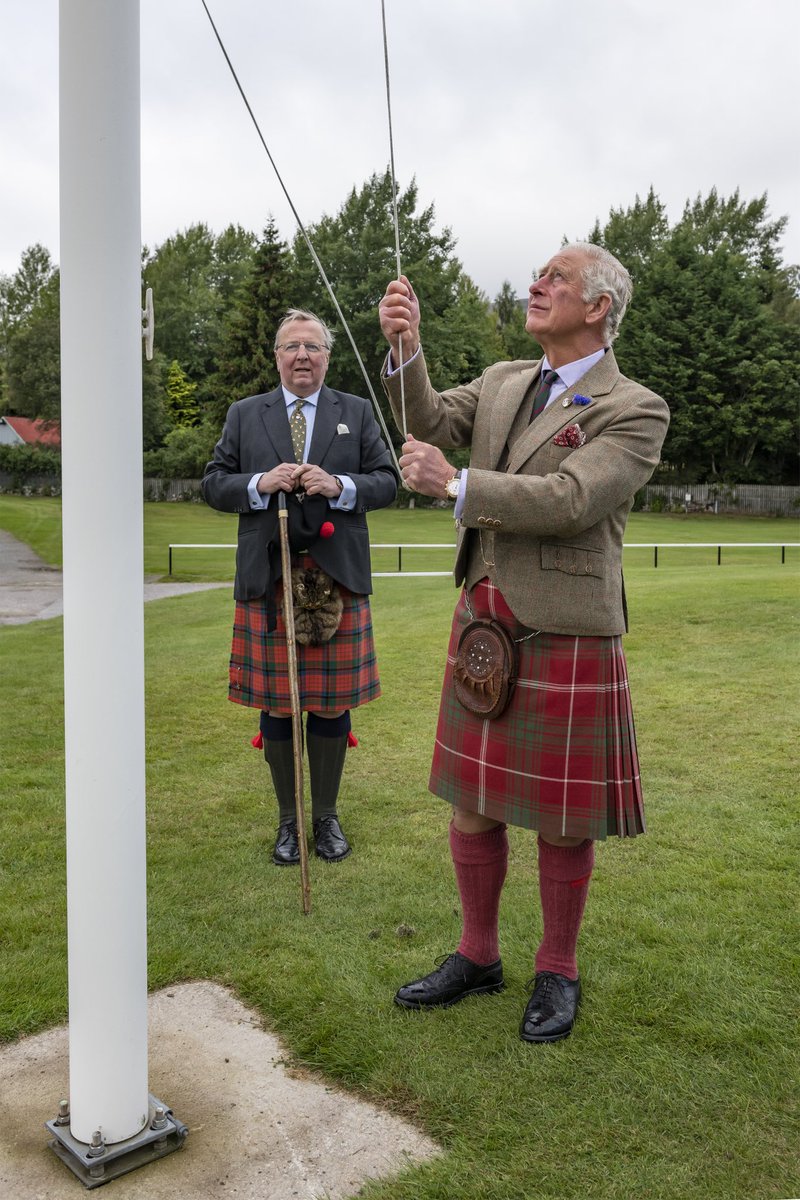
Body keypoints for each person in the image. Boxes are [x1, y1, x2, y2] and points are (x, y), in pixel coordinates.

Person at [378, 243, 669, 1041]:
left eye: (556, 278)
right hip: (483, 620)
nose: (536, 286)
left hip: (565, 629)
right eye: (538, 274)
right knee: (473, 804)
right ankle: (478, 956)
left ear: (600, 305)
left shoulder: (634, 407)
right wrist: (407, 348)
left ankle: (557, 969)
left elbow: (572, 498)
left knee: (562, 818)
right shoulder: (507, 379)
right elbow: (431, 419)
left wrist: (456, 485)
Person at [203, 309, 398, 865]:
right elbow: (214, 483)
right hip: (271, 577)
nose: (303, 356)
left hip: (336, 576)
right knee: (279, 706)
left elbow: (388, 482)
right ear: (277, 356)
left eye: (313, 346)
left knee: (332, 707)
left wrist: (340, 485)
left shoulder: (355, 412)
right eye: (292, 347)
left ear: (328, 357)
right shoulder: (246, 415)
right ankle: (289, 823)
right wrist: (258, 484)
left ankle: (327, 818)